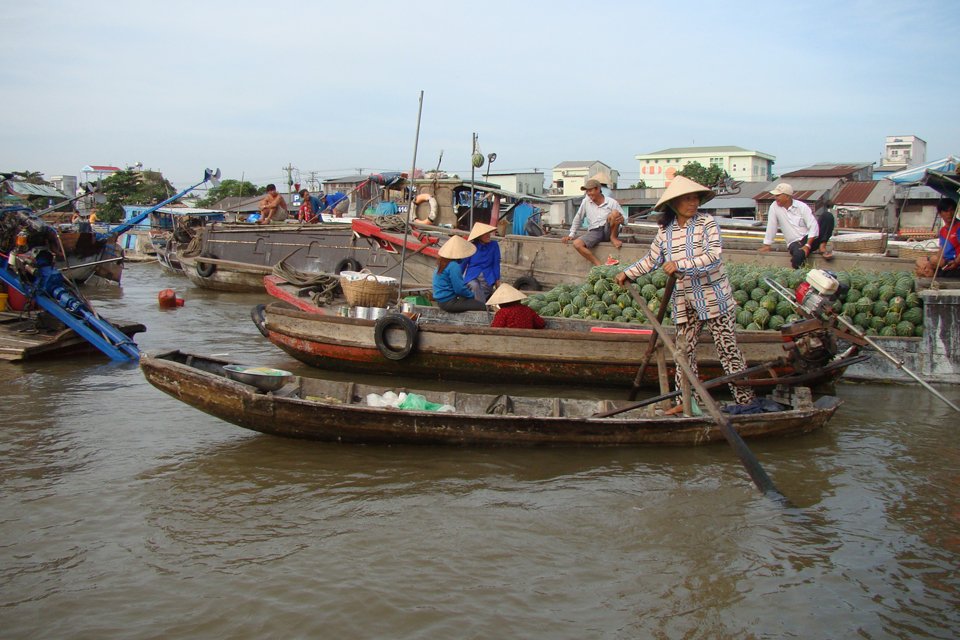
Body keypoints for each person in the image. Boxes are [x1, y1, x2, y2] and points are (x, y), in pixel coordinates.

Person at [615, 175, 756, 415]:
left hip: (714, 298)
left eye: (695, 199)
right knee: (683, 352)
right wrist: (628, 273)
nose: (693, 203)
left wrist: (681, 264)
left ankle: (746, 401)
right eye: (687, 199)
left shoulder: (706, 223)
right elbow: (652, 260)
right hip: (685, 300)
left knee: (727, 349)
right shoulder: (665, 231)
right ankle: (686, 400)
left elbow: (713, 257)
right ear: (674, 203)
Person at [758, 182, 834, 267]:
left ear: (787, 197)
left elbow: (813, 225)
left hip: (809, 239)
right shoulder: (774, 207)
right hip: (794, 243)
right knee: (798, 256)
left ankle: (822, 247)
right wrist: (767, 245)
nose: (776, 198)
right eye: (775, 196)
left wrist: (807, 245)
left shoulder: (801, 206)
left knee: (827, 216)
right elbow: (772, 226)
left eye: (778, 196)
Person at [562, 178, 624, 266]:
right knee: (577, 244)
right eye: (587, 191)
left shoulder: (611, 202)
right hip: (595, 231)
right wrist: (571, 234)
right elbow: (578, 217)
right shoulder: (586, 202)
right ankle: (598, 264)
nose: (589, 193)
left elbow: (625, 219)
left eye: (590, 190)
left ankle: (613, 238)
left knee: (615, 213)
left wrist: (622, 220)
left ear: (598, 189)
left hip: (609, 230)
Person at [432, 235, 487, 312]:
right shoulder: (454, 266)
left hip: (441, 301)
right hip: (449, 302)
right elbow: (459, 289)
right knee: (483, 307)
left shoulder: (442, 263)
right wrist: (472, 296)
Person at [915, 198, 960, 278]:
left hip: (955, 262)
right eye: (946, 211)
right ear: (940, 213)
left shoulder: (958, 227)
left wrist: (956, 262)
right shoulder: (943, 230)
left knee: (933, 261)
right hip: (945, 262)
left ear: (956, 211)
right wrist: (930, 263)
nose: (949, 214)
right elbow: (942, 249)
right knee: (921, 261)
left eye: (951, 210)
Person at [462, 222, 501, 303]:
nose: (488, 235)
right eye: (485, 234)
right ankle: (481, 308)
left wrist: (497, 281)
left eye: (489, 233)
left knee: (481, 291)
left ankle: (478, 305)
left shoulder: (494, 245)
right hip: (472, 277)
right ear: (479, 236)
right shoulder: (471, 246)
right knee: (474, 286)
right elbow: (462, 264)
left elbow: (496, 264)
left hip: (487, 278)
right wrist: (456, 279)